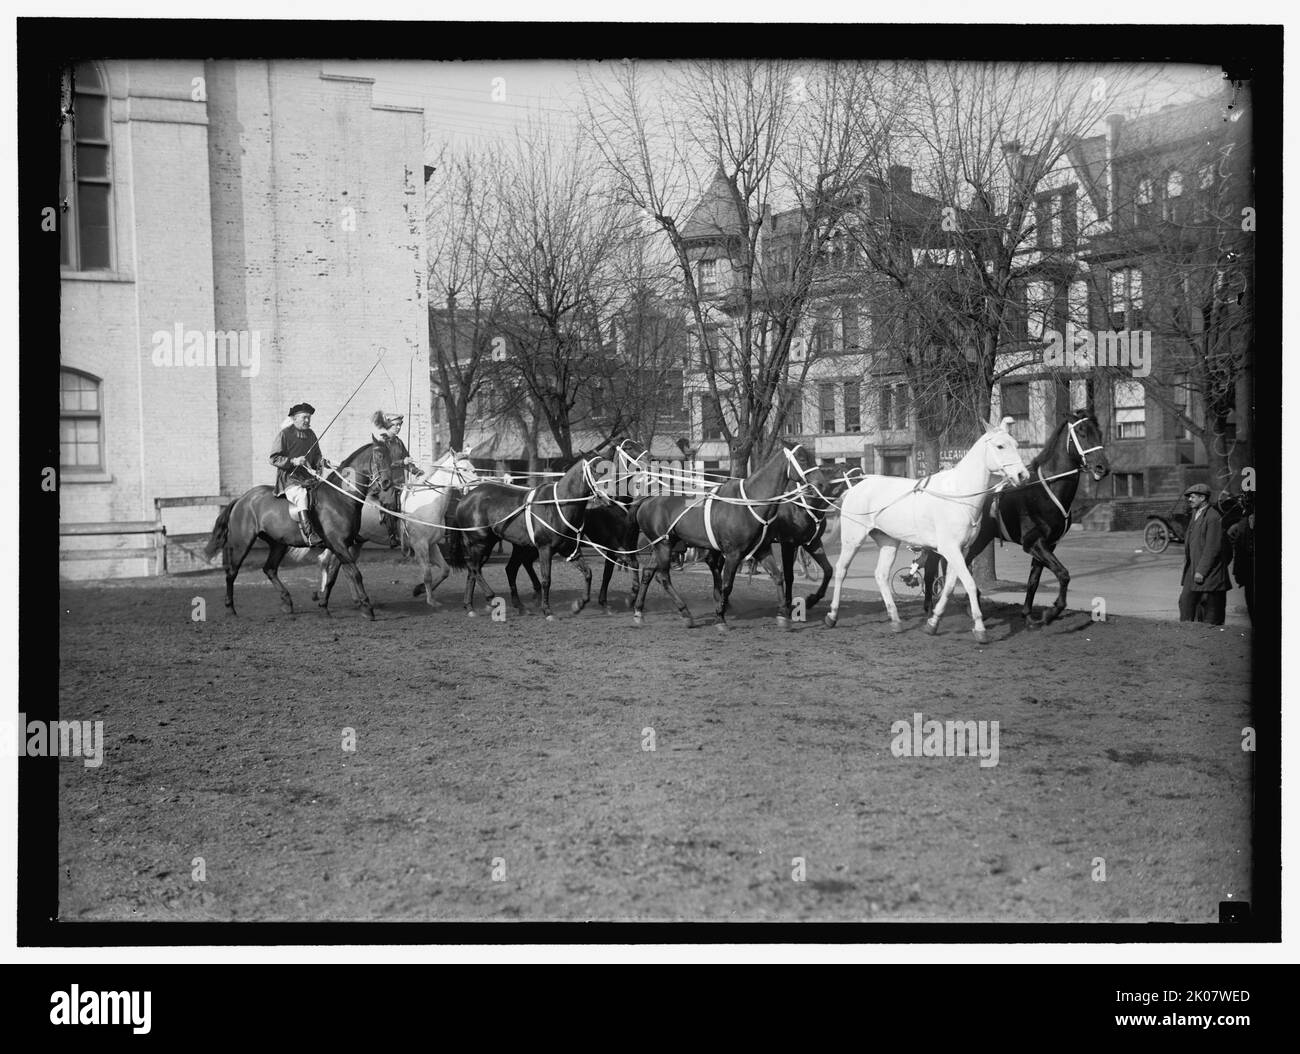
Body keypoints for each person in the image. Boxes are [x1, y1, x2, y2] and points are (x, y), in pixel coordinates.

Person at [270, 402, 325, 547]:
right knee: (301, 496)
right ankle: (309, 533)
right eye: (304, 417)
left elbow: (317, 455)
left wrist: (322, 462)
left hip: (309, 479)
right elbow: (273, 458)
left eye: (309, 418)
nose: (307, 420)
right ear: (294, 418)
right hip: (290, 480)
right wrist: (293, 461)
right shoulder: (285, 434)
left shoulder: (311, 434)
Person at [369, 411, 423, 547]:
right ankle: (392, 535)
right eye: (396, 425)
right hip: (386, 482)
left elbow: (407, 459)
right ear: (388, 425)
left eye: (400, 425)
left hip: (400, 482)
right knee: (391, 501)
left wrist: (416, 471)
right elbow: (385, 465)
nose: (398, 428)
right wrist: (402, 463)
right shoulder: (382, 443)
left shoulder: (399, 442)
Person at [1178, 482, 1229, 625]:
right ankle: (1186, 632)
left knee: (1210, 612)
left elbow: (1212, 548)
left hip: (1206, 572)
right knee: (1185, 602)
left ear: (1203, 498)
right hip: (1192, 568)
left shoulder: (1213, 517)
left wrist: (1201, 571)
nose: (1189, 499)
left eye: (1193, 497)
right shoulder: (1196, 514)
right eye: (1189, 497)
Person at [1226, 495, 1254, 623]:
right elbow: (1238, 551)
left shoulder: (1242, 524)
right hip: (1249, 573)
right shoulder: (1242, 524)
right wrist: (1238, 573)